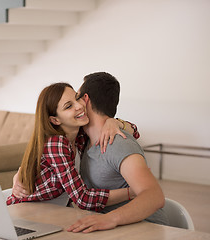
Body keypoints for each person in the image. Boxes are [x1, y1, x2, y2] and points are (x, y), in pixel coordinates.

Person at [6, 82, 138, 211]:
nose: (80, 106)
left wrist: (114, 122)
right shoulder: (56, 143)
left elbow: (135, 132)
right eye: (68, 106)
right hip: (26, 211)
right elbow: (82, 199)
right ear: (55, 120)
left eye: (77, 98)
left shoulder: (80, 135)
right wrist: (132, 192)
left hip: (54, 211)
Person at [67, 72, 168, 233]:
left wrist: (110, 219)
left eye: (77, 98)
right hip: (108, 231)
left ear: (85, 99)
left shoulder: (118, 143)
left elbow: (154, 196)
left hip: (144, 230)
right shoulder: (83, 140)